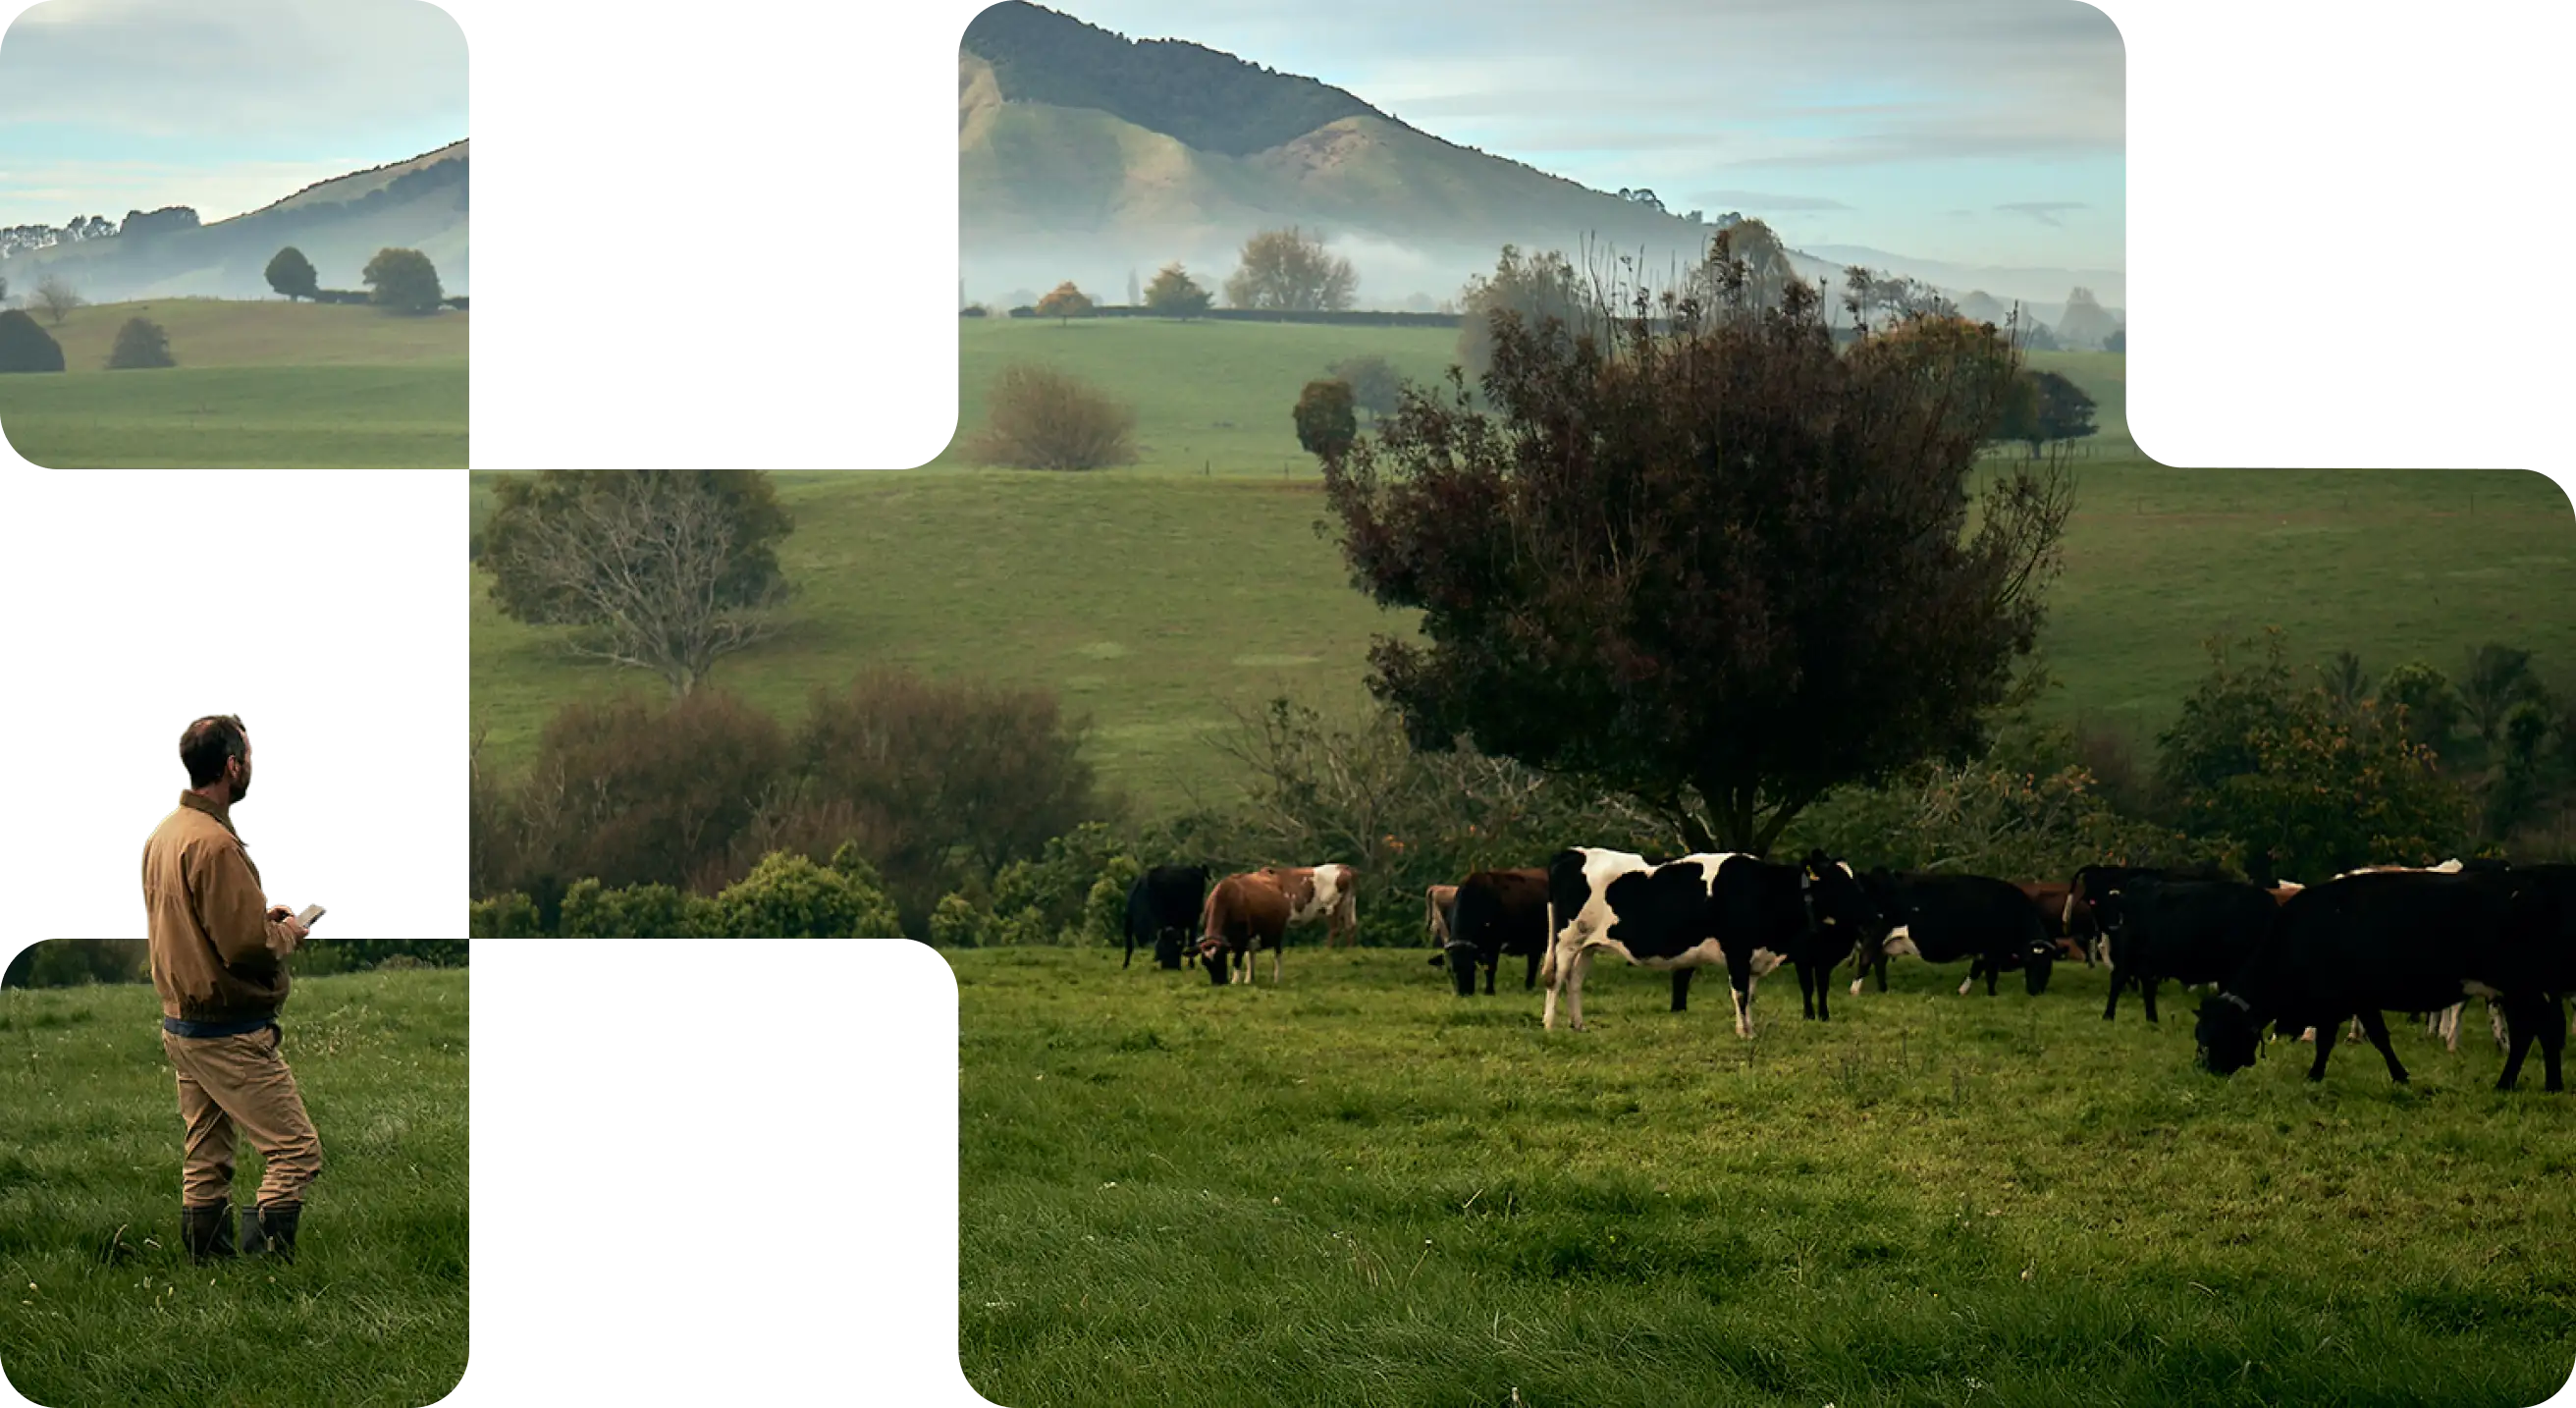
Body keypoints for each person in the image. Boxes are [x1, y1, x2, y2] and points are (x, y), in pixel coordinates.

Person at [140, 711, 323, 1266]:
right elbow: (244, 947)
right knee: (296, 1150)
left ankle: (208, 1268)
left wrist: (261, 914)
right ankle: (269, 1270)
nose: (250, 765)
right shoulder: (215, 844)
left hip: (183, 1024)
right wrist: (285, 932)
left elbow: (203, 922)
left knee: (207, 1155)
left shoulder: (166, 833)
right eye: (246, 756)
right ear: (229, 765)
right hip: (228, 1030)